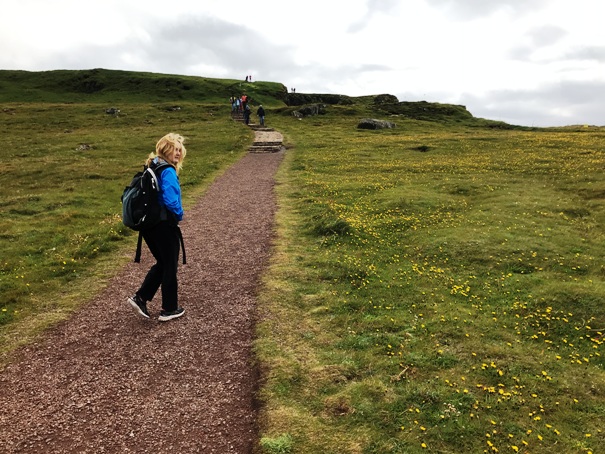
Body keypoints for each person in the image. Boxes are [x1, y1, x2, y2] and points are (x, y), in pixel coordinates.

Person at [127, 133, 187, 322]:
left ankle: (141, 298)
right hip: (163, 225)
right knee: (169, 264)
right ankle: (169, 308)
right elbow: (170, 199)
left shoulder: (153, 165)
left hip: (149, 226)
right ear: (166, 149)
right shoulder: (167, 170)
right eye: (174, 149)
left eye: (179, 150)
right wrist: (179, 214)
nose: (177, 153)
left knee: (163, 262)